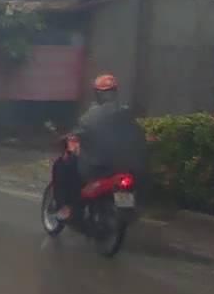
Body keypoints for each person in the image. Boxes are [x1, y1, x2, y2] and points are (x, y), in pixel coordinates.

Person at [51, 74, 148, 221]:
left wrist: (68, 137)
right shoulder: (125, 111)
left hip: (99, 165)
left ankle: (67, 207)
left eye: (108, 92)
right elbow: (138, 133)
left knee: (63, 165)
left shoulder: (93, 114)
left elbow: (79, 131)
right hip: (124, 166)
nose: (107, 95)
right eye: (106, 92)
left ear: (97, 94)